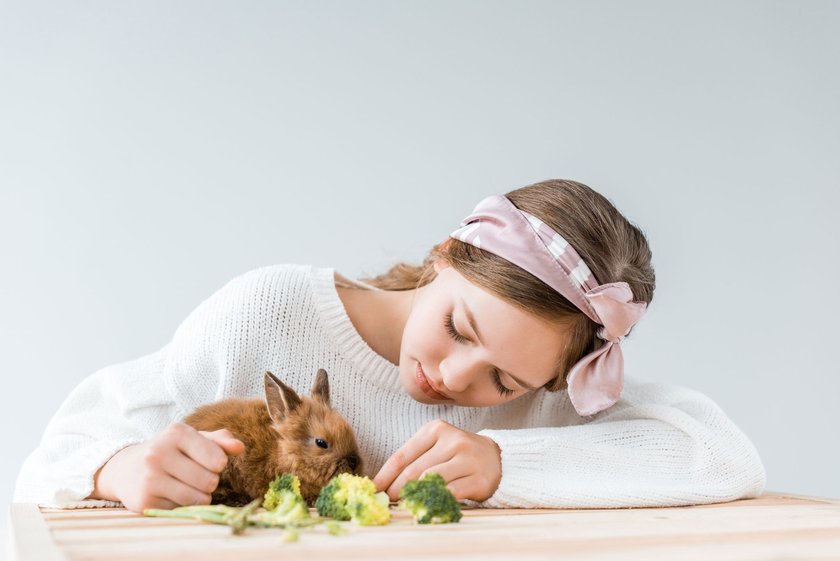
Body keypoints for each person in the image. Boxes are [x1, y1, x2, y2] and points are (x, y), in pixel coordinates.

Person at [14, 179, 766, 512]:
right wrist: (116, 467)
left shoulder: (544, 397)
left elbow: (725, 453)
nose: (450, 377)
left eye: (502, 380)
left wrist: (510, 460)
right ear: (445, 255)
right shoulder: (268, 313)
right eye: (459, 328)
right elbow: (54, 453)